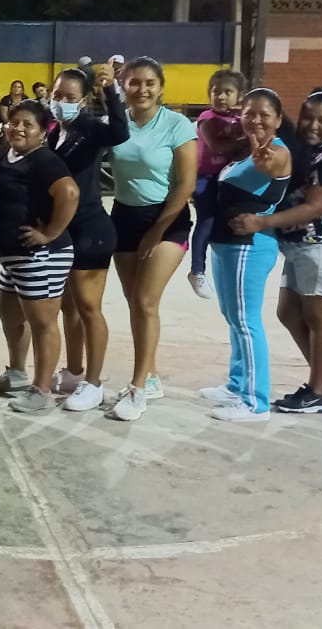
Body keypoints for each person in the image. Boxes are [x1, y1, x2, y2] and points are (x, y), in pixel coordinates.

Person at [0, 63, 129, 412]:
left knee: (88, 308)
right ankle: (73, 372)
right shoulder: (52, 133)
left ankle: (93, 383)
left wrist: (110, 91)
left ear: (82, 101)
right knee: (66, 308)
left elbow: (119, 132)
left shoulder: (89, 128)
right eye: (57, 94)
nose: (61, 101)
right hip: (64, 230)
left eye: (69, 96)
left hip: (88, 229)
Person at [233, 88, 322, 415]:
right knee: (288, 312)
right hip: (302, 245)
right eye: (308, 118)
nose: (314, 125)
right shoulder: (305, 150)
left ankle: (318, 392)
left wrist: (262, 222)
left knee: (319, 318)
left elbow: (316, 207)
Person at [107, 57, 196, 422]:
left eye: (149, 83)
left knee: (146, 300)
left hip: (167, 220)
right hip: (124, 217)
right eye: (134, 82)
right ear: (123, 86)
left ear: (161, 88)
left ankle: (138, 388)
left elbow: (186, 184)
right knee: (134, 302)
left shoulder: (177, 124)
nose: (142, 89)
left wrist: (157, 231)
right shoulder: (117, 122)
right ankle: (152, 376)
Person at [201, 89, 293, 422]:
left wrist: (266, 162)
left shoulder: (277, 152)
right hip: (227, 246)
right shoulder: (244, 151)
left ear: (278, 120)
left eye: (264, 114)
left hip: (249, 247)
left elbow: (275, 165)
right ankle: (237, 384)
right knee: (233, 317)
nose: (255, 120)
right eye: (249, 113)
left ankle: (255, 401)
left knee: (245, 321)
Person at [0, 102, 81, 413]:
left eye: (27, 124)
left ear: (43, 132)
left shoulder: (44, 160)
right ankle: (17, 373)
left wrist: (50, 233)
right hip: (13, 256)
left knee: (43, 322)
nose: (18, 128)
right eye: (13, 122)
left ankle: (41, 390)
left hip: (40, 256)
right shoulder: (3, 154)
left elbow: (69, 193)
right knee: (10, 311)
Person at [188, 69, 247, 300]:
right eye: (216, 92)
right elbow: (218, 146)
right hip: (206, 178)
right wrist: (250, 140)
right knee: (207, 220)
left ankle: (227, 268)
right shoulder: (207, 118)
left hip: (230, 178)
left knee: (228, 223)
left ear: (239, 96)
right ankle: (197, 271)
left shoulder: (241, 119)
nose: (221, 96)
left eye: (227, 92)